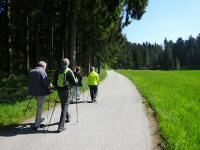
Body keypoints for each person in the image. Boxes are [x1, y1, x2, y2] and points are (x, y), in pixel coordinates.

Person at [53, 58, 77, 133]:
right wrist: (76, 81)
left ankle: (68, 117)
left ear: (61, 63)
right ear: (68, 64)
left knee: (63, 105)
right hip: (66, 91)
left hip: (59, 90)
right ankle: (61, 127)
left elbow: (54, 82)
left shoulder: (57, 71)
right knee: (64, 107)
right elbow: (73, 83)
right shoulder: (69, 71)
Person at [28, 61, 52, 130]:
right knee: (40, 108)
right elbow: (46, 83)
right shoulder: (42, 71)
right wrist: (50, 85)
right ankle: (37, 125)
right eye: (45, 67)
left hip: (33, 92)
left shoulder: (31, 71)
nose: (45, 69)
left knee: (39, 106)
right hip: (40, 93)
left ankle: (39, 120)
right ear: (43, 66)